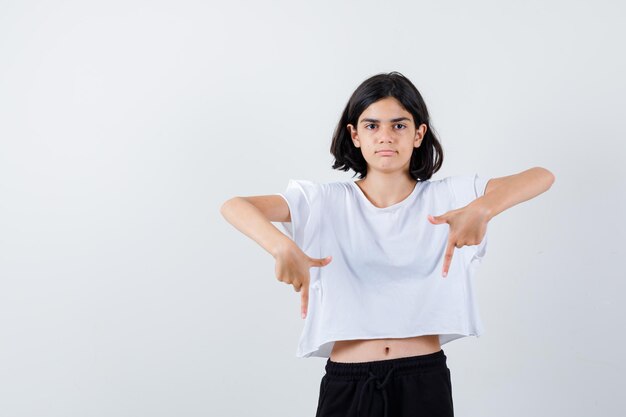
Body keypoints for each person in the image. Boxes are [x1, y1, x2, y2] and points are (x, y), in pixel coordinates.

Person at [220, 71, 555, 417]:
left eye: (398, 126)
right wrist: (281, 246)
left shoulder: (448, 196)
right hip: (348, 384)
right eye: (371, 126)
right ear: (354, 134)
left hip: (422, 380)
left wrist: (483, 208)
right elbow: (234, 206)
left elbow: (542, 176)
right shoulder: (323, 200)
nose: (385, 137)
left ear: (418, 133)